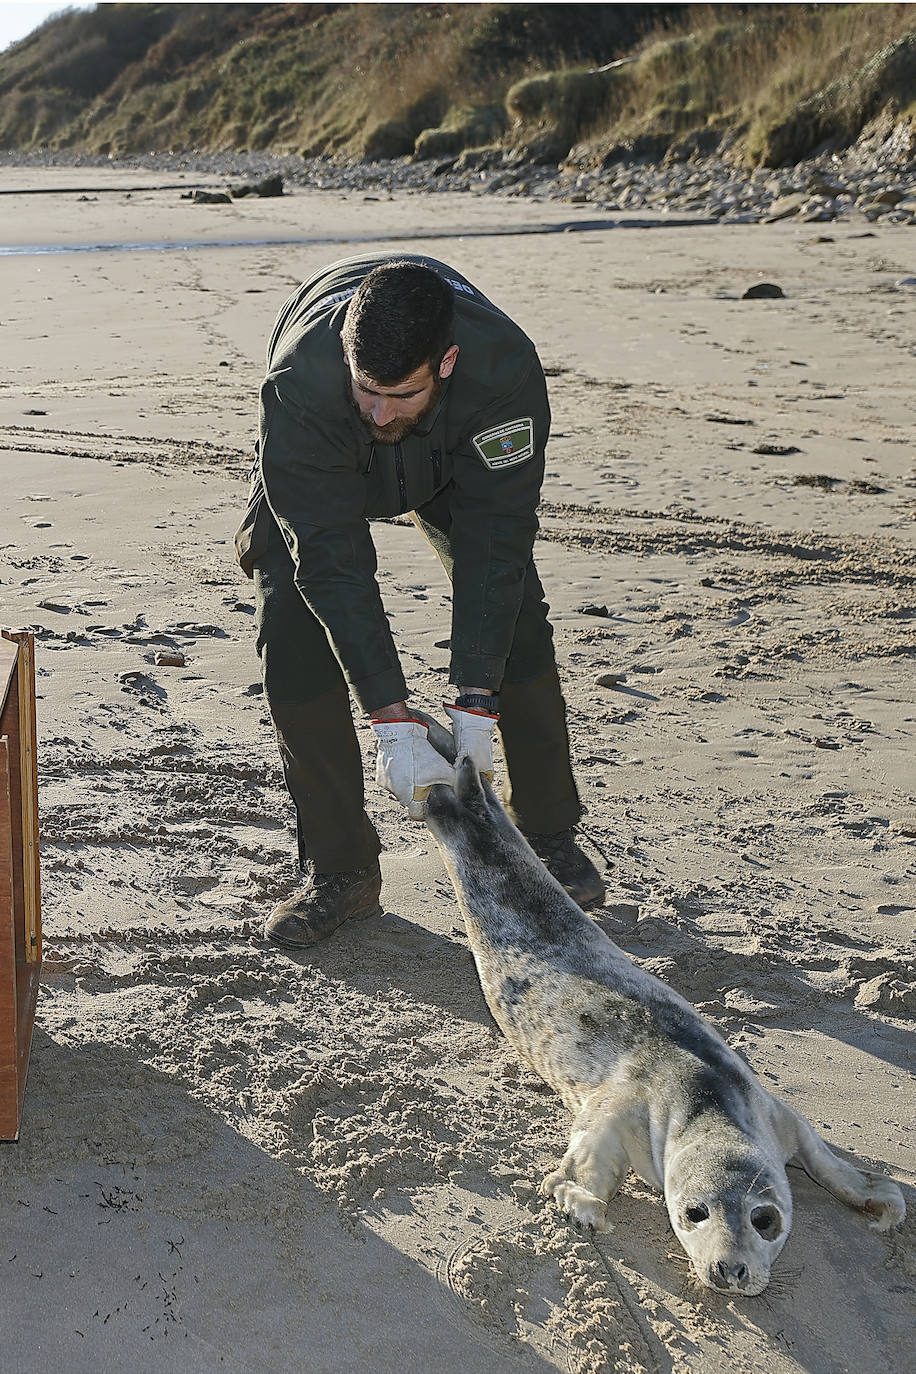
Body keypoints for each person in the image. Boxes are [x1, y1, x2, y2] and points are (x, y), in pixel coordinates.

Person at [234, 253, 604, 947]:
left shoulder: (503, 373)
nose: (378, 413)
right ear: (346, 353)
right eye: (366, 390)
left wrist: (474, 701)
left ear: (448, 362)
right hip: (322, 464)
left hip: (449, 459)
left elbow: (496, 543)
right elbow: (331, 563)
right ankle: (339, 869)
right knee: (290, 628)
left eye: (398, 394)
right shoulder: (302, 386)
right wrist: (392, 720)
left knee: (515, 611)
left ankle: (550, 836)